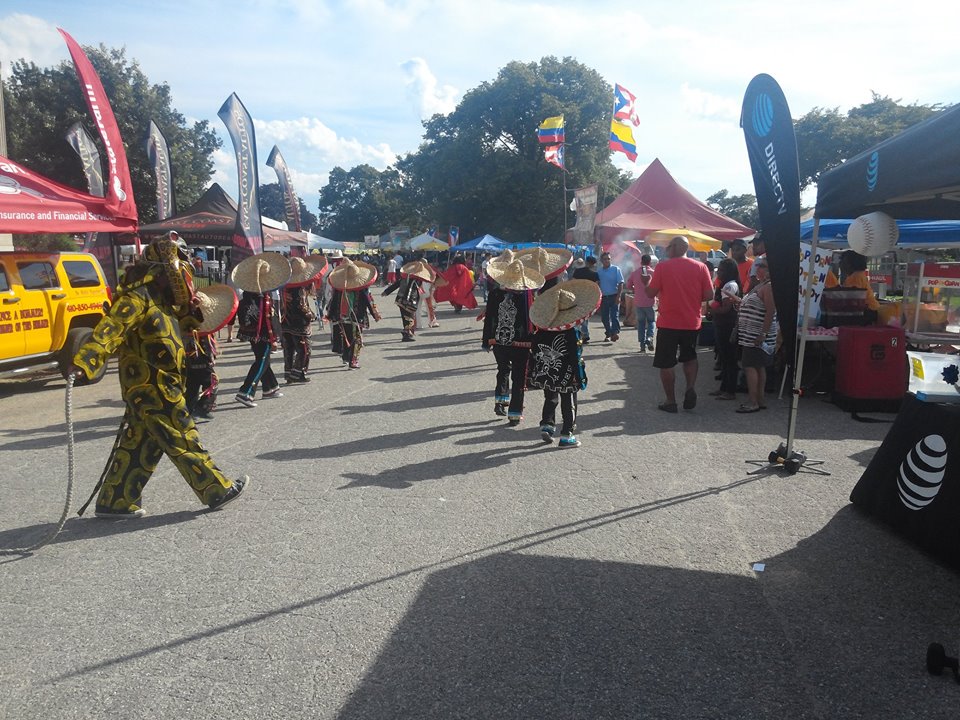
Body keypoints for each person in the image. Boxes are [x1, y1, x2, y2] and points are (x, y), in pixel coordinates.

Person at [68, 235, 248, 518]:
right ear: (164, 270)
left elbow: (186, 328)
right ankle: (216, 489)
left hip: (162, 384)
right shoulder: (136, 298)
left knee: (141, 445)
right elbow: (109, 330)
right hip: (150, 386)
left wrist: (193, 311)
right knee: (181, 434)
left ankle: (115, 502)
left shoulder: (162, 302)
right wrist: (85, 362)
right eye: (181, 267)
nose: (186, 273)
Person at [527, 279, 601, 448]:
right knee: (569, 401)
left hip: (548, 372)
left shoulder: (543, 329)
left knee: (550, 397)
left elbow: (535, 348)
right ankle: (567, 434)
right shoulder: (571, 332)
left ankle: (547, 424)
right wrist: (579, 375)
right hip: (566, 373)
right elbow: (575, 356)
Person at [645, 236, 715, 412]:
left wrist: (646, 284)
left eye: (668, 247)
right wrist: (691, 295)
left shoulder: (662, 267)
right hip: (691, 322)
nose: (666, 250)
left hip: (668, 322)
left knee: (666, 363)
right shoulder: (701, 267)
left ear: (674, 247)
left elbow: (650, 293)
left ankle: (671, 401)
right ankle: (690, 388)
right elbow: (709, 295)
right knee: (690, 357)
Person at [482, 251, 545, 424]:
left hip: (499, 341)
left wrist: (486, 340)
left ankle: (500, 400)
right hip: (521, 343)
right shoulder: (527, 295)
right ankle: (515, 413)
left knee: (502, 370)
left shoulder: (495, 294)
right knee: (518, 378)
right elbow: (535, 318)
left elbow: (490, 318)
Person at [232, 252, 292, 408]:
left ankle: (270, 388)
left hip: (254, 332)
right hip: (261, 333)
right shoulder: (258, 297)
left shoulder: (250, 294)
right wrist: (273, 337)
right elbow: (265, 318)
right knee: (262, 360)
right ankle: (246, 391)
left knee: (263, 358)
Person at [184, 284, 237, 421]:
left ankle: (188, 410)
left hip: (190, 357)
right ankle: (201, 407)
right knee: (212, 381)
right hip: (198, 356)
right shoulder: (198, 329)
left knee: (192, 384)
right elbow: (205, 346)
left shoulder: (189, 326)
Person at [734, 256, 777, 412]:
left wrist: (763, 334)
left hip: (757, 334)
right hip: (751, 334)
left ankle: (753, 401)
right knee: (758, 366)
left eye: (764, 266)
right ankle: (759, 399)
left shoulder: (769, 287)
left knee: (751, 366)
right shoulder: (762, 285)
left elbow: (770, 311)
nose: (759, 269)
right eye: (759, 266)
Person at [326, 258, 381, 369]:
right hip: (357, 316)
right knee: (356, 338)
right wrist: (374, 313)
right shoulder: (361, 287)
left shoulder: (339, 285)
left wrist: (330, 315)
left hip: (342, 315)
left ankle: (346, 357)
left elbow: (334, 300)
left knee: (346, 336)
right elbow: (368, 300)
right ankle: (353, 360)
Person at [281, 256, 327, 383]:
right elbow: (301, 306)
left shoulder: (285, 286)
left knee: (289, 349)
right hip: (299, 323)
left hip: (285, 320)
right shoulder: (300, 288)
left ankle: (289, 372)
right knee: (304, 349)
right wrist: (311, 316)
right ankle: (297, 374)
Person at [708, 258, 742, 401]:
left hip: (727, 325)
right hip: (722, 324)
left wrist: (712, 310)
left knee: (730, 358)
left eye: (721, 270)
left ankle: (730, 391)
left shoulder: (729, 286)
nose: (718, 272)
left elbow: (726, 308)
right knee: (725, 357)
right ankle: (723, 388)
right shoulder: (726, 284)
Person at [383, 259, 433, 341]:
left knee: (405, 317)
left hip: (400, 299)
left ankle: (407, 332)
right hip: (409, 300)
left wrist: (386, 292)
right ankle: (407, 333)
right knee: (410, 317)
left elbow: (397, 284)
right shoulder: (416, 279)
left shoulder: (405, 276)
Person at [840, 250, 880, 323]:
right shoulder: (857, 275)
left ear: (851, 264)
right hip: (870, 310)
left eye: (843, 262)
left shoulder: (856, 277)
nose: (840, 264)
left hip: (868, 312)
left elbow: (852, 300)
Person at [627, 254, 656, 352]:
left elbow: (629, 285)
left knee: (641, 323)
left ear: (641, 262)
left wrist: (635, 289)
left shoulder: (635, 273)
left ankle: (642, 345)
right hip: (650, 302)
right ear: (650, 262)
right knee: (651, 321)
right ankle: (649, 337)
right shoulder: (653, 273)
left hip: (638, 302)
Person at [596, 252, 625, 341]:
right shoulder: (599, 272)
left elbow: (621, 283)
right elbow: (597, 284)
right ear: (601, 260)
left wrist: (619, 296)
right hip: (604, 298)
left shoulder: (616, 269)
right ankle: (608, 333)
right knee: (604, 318)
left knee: (614, 316)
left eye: (608, 259)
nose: (607, 260)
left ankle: (614, 333)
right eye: (605, 259)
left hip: (614, 296)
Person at [571, 255, 599, 343]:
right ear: (593, 264)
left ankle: (578, 334)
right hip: (589, 297)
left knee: (578, 315)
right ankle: (585, 334)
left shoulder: (577, 272)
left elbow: (572, 283)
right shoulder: (594, 274)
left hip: (578, 296)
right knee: (586, 316)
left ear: (586, 262)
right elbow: (597, 287)